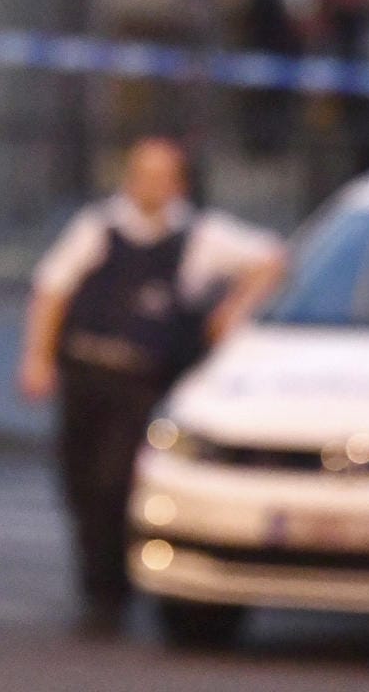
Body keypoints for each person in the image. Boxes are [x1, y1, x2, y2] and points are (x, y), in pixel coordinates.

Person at [15, 138, 285, 636]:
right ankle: (97, 583)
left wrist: (233, 310)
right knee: (79, 485)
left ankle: (110, 599)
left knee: (115, 484)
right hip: (85, 371)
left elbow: (271, 257)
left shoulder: (198, 235)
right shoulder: (100, 226)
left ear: (178, 183)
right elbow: (52, 288)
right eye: (141, 174)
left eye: (161, 176)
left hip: (140, 381)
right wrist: (38, 359)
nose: (149, 186)